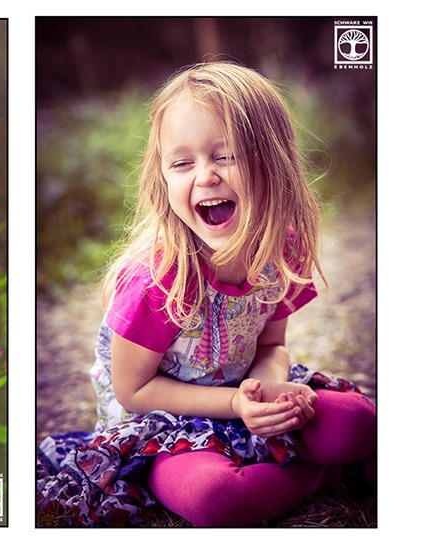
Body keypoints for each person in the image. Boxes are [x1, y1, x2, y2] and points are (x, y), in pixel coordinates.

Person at [35, 62, 376, 527]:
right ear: (163, 179)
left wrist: (268, 387)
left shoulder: (282, 248)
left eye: (226, 155)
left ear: (273, 160)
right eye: (182, 163)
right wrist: (234, 404)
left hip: (244, 398)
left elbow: (272, 345)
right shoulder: (156, 282)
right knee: (216, 499)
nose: (206, 176)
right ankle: (324, 476)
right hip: (166, 422)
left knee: (360, 422)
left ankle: (299, 459)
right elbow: (133, 391)